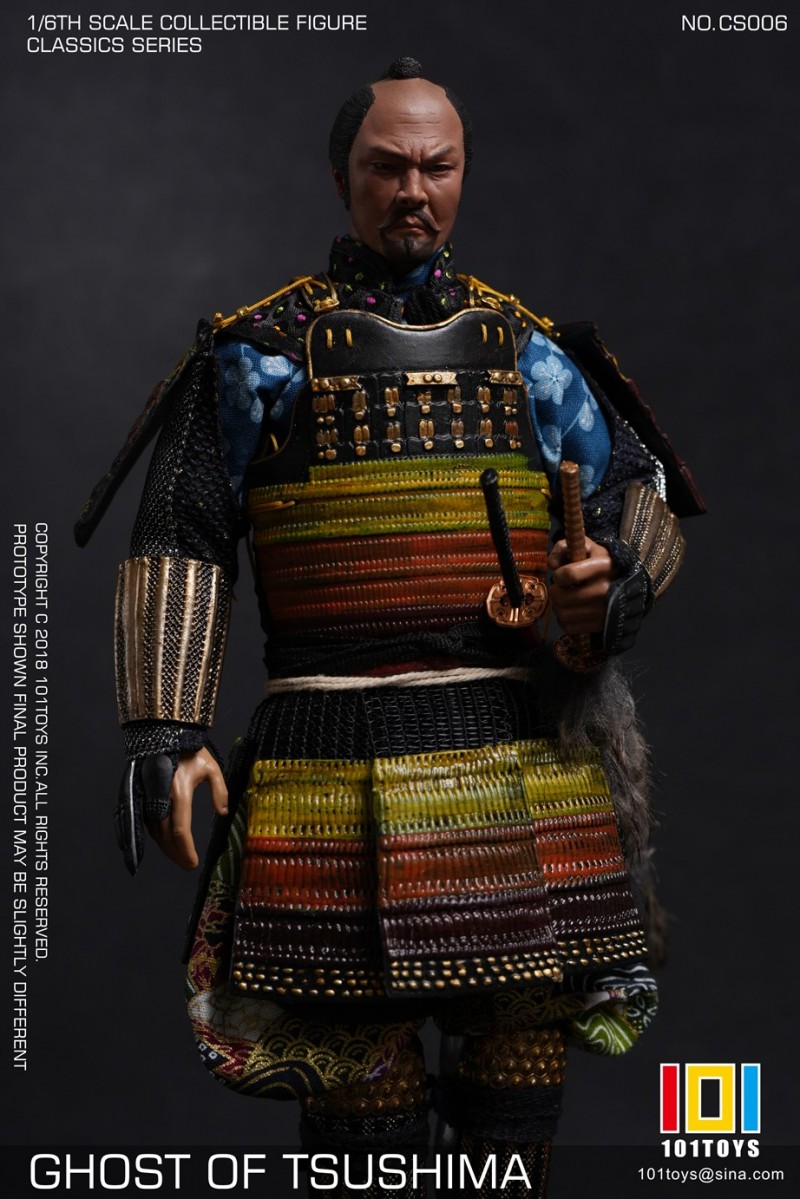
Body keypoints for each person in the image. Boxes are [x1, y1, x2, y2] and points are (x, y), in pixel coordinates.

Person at [79, 57, 702, 1198]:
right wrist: (165, 729)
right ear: (342, 177)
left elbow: (638, 485)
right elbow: (181, 529)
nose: (414, 189)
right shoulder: (261, 355)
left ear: (462, 175)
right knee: (358, 1092)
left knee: (518, 1077)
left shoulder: (525, 350)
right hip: (329, 760)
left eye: (437, 166)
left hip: (519, 757)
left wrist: (611, 570)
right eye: (387, 166)